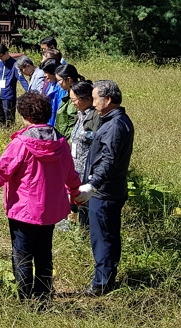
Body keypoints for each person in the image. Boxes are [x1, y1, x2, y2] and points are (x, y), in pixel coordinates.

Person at [0, 92, 82, 301]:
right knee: (44, 254)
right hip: (50, 210)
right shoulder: (61, 142)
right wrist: (77, 193)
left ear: (24, 115)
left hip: (23, 211)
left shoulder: (21, 144)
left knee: (22, 254)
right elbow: (71, 174)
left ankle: (25, 299)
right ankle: (43, 298)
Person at [74, 80, 134, 296]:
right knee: (107, 235)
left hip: (105, 191)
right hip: (109, 189)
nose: (93, 102)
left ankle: (101, 284)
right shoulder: (114, 121)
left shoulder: (114, 125)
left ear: (107, 99)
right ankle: (106, 277)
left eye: (95, 98)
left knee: (103, 237)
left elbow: (109, 159)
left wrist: (93, 184)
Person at [68, 81, 99, 228]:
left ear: (86, 99)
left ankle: (85, 230)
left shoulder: (95, 117)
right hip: (75, 166)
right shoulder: (80, 115)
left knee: (86, 203)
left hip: (87, 168)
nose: (72, 103)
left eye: (74, 100)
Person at [54, 64, 85, 138]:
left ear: (68, 79)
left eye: (59, 80)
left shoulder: (79, 97)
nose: (58, 84)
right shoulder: (67, 95)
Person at [40, 59, 61, 126]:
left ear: (54, 72)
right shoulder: (51, 84)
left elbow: (60, 111)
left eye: (46, 72)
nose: (44, 75)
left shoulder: (61, 88)